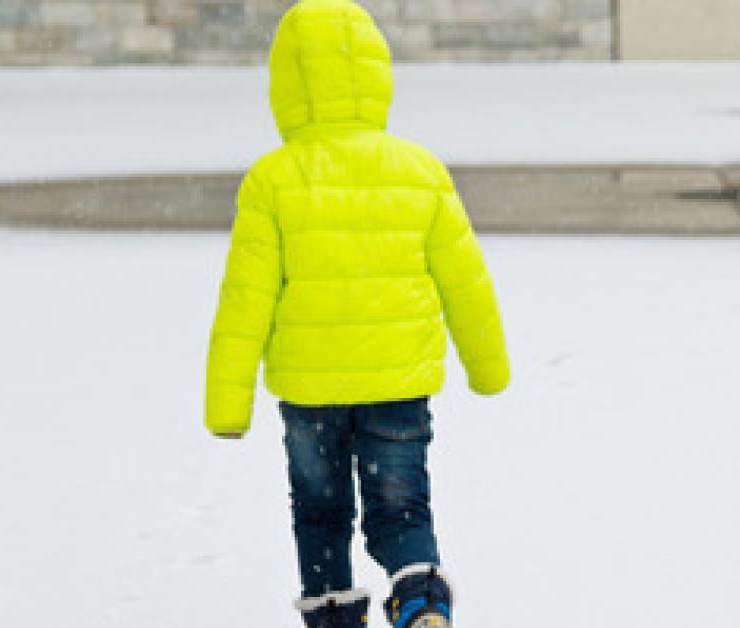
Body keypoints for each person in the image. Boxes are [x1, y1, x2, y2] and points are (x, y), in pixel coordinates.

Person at [203, 0, 510, 626]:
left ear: (287, 86)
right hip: (396, 381)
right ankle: (419, 594)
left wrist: (227, 404)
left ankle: (334, 611)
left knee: (320, 511)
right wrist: (488, 366)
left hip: (311, 389)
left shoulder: (274, 179)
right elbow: (465, 280)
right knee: (401, 506)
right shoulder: (419, 171)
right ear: (376, 79)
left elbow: (246, 299)